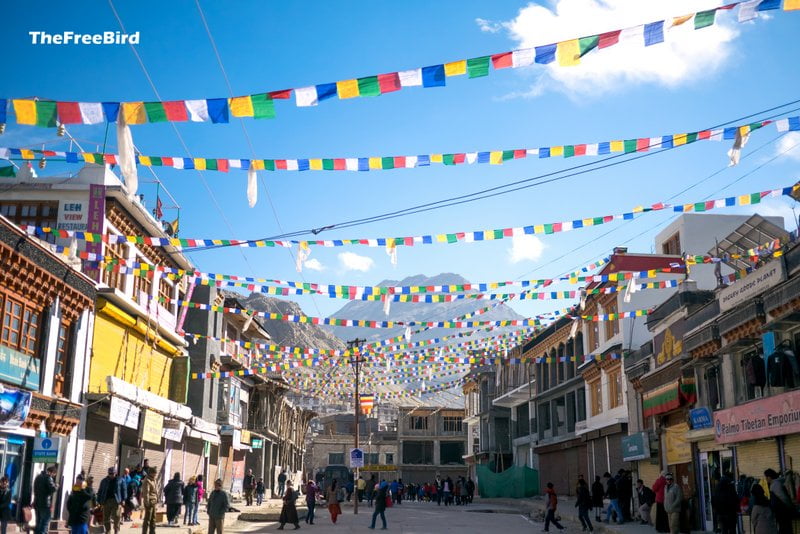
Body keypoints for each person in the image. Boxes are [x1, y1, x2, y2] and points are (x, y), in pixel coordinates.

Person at [98, 467, 127, 534]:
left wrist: (123, 499)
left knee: (117, 517)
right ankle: (108, 531)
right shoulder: (104, 481)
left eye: (112, 473)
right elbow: (100, 491)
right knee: (106, 518)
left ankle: (116, 531)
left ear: (116, 473)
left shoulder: (120, 480)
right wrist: (99, 501)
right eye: (110, 473)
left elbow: (124, 490)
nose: (111, 475)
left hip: (116, 501)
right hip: (106, 501)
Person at [764, 468, 793, 534]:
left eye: (766, 477)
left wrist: (790, 506)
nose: (765, 479)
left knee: (784, 529)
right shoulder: (776, 483)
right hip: (782, 511)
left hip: (782, 512)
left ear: (769, 477)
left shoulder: (775, 484)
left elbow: (783, 498)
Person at [33, 465, 58, 534]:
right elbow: (53, 488)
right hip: (45, 504)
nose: (53, 476)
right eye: (54, 474)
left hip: (37, 503)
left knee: (38, 523)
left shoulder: (38, 477)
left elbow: (35, 489)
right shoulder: (48, 478)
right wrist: (56, 486)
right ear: (52, 472)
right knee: (45, 523)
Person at [141, 467, 158, 534]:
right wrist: (147, 502)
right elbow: (146, 493)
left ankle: (152, 532)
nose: (155, 475)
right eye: (154, 473)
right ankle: (144, 532)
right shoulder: (147, 480)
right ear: (151, 473)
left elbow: (156, 491)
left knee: (153, 519)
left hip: (154, 501)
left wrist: (157, 498)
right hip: (149, 501)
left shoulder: (154, 480)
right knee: (147, 519)